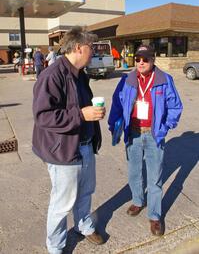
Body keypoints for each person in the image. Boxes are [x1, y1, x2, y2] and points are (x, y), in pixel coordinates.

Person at [32, 26, 106, 254]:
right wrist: (81, 115)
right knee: (62, 204)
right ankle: (55, 246)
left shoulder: (80, 74)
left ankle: (83, 226)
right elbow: (43, 115)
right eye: (90, 48)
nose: (92, 52)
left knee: (85, 192)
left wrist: (92, 117)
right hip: (63, 152)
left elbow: (83, 107)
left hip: (85, 146)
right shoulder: (51, 75)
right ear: (78, 48)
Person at [108, 45, 183, 236]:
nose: (141, 62)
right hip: (133, 133)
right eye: (138, 58)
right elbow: (116, 103)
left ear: (153, 60)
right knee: (134, 172)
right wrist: (113, 126)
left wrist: (164, 127)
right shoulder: (127, 80)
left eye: (145, 59)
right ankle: (138, 201)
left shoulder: (165, 80)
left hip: (153, 134)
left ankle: (155, 216)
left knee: (154, 177)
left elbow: (175, 107)